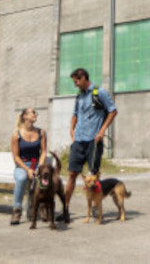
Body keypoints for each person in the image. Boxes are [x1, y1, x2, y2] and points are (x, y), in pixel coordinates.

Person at [63, 67, 117, 215]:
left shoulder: (99, 92)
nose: (75, 84)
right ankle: (65, 208)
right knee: (72, 174)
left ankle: (94, 206)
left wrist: (101, 131)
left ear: (83, 78)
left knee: (93, 174)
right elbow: (75, 114)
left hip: (94, 141)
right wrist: (71, 129)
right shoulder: (79, 96)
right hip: (79, 141)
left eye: (76, 81)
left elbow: (113, 111)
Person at [10, 107, 46, 225]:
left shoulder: (41, 132)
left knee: (43, 178)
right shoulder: (16, 135)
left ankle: (40, 207)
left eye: (36, 113)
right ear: (25, 116)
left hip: (37, 164)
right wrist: (28, 170)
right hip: (22, 166)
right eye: (32, 113)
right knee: (21, 178)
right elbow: (16, 157)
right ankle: (17, 210)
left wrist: (39, 167)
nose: (35, 114)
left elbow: (44, 152)